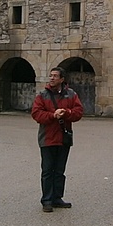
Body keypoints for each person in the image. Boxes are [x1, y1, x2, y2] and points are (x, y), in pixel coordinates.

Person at [31, 67, 84, 213]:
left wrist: (66, 113)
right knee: (47, 170)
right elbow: (36, 114)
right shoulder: (42, 95)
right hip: (47, 138)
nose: (52, 78)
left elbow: (79, 112)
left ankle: (57, 198)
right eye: (51, 75)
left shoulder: (71, 94)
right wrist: (53, 116)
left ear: (62, 79)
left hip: (63, 138)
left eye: (55, 76)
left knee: (60, 170)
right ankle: (46, 200)